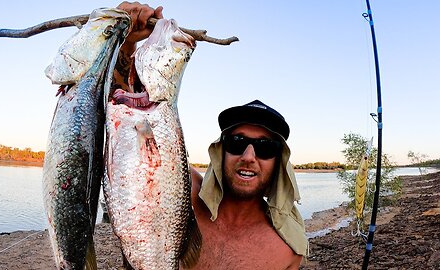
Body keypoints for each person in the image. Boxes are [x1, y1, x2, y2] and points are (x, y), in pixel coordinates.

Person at [114, 2, 308, 269]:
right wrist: (126, 44)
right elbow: (125, 113)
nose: (249, 156)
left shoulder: (288, 250)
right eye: (237, 142)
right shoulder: (179, 187)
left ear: (279, 162)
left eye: (265, 148)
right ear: (221, 151)